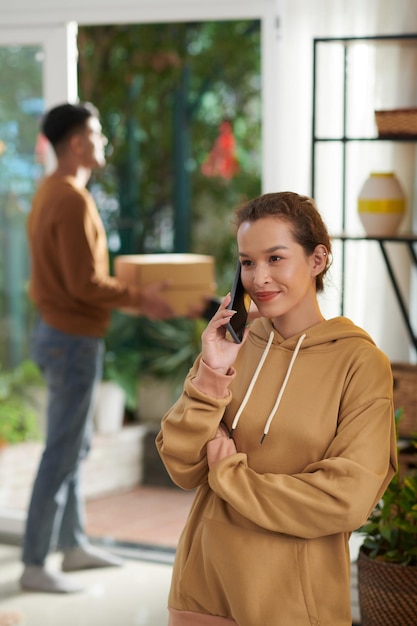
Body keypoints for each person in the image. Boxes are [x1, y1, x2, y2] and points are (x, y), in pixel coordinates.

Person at [156, 191, 398, 626]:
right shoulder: (231, 346)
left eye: (275, 258)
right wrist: (212, 375)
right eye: (247, 262)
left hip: (293, 605)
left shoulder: (360, 363)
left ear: (317, 260)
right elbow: (181, 464)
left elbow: (344, 499)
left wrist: (230, 476)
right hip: (203, 592)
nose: (258, 278)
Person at [21, 102, 174, 594]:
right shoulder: (69, 199)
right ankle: (35, 562)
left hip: (60, 334)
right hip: (71, 338)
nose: (103, 140)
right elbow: (85, 283)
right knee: (62, 451)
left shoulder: (52, 193)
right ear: (76, 143)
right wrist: (142, 299)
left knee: (73, 445)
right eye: (97, 132)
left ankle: (74, 544)